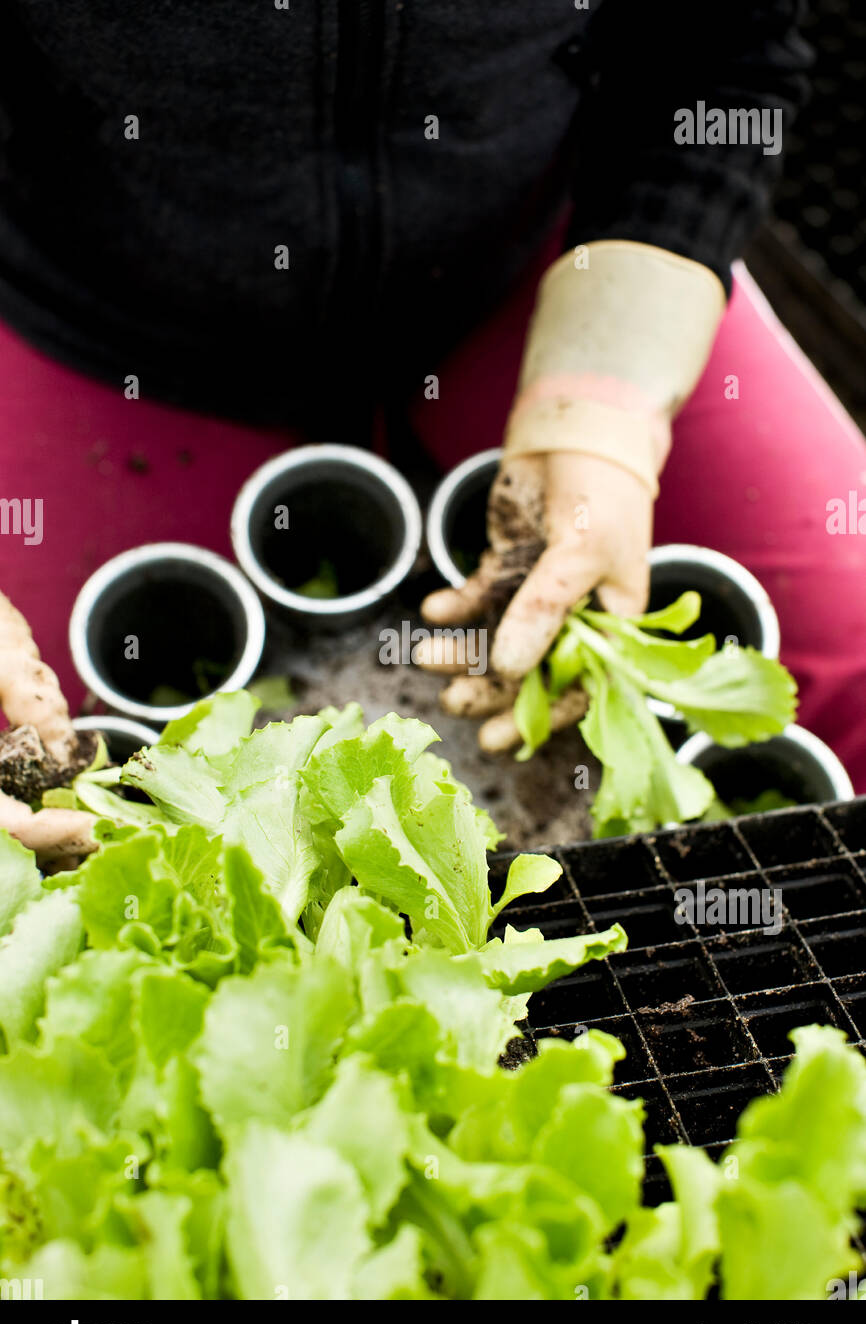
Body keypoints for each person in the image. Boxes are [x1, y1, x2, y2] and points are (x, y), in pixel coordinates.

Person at [1, 2, 864, 786]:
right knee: (29, 756)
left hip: (545, 269)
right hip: (107, 322)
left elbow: (724, 61)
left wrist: (609, 401)